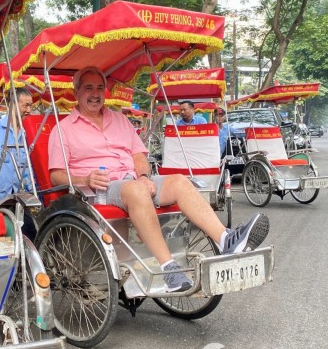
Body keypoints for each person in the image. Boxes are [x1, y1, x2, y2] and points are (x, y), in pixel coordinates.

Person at [48, 66, 269, 292]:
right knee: (135, 189)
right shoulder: (63, 129)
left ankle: (226, 240)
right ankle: (169, 270)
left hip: (133, 180)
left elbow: (139, 156)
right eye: (88, 88)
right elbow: (55, 175)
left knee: (180, 182)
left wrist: (144, 176)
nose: (95, 94)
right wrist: (85, 178)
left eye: (99, 88)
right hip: (99, 190)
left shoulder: (120, 120)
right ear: (76, 93)